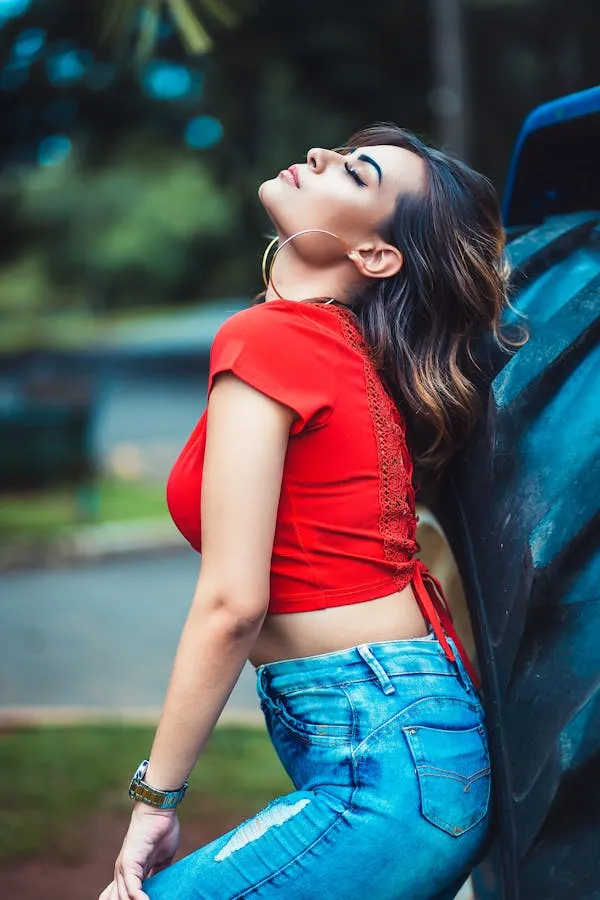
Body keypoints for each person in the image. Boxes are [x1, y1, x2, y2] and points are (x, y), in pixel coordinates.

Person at [100, 124, 525, 900]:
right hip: (412, 749)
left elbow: (232, 606)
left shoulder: (274, 340)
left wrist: (155, 800)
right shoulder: (333, 345)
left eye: (357, 173)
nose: (323, 156)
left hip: (388, 770)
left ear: (375, 256)